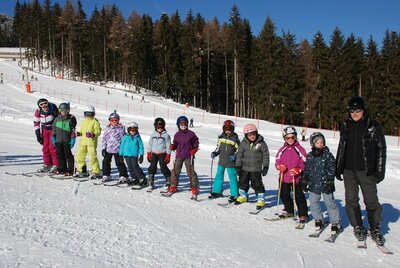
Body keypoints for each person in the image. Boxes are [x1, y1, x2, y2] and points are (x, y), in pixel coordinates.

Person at [335, 96, 387, 246]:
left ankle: (375, 227)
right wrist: (338, 167)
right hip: (348, 170)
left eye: (358, 110)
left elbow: (381, 149)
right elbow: (341, 147)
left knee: (371, 200)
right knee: (351, 199)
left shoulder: (373, 126)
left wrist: (380, 169)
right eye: (352, 111)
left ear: (363, 110)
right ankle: (358, 226)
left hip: (366, 170)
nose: (355, 113)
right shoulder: (346, 125)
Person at [302, 132, 341, 234]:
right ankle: (318, 219)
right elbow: (307, 169)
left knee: (330, 203)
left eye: (321, 142)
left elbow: (331, 169)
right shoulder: (310, 156)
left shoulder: (328, 155)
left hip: (326, 185)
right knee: (313, 202)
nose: (320, 144)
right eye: (317, 142)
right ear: (313, 144)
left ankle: (335, 222)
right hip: (313, 184)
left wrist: (329, 182)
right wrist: (304, 180)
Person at [275, 126, 308, 223]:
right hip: (284, 176)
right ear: (284, 138)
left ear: (295, 137)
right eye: (287, 138)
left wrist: (299, 169)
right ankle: (289, 210)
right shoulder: (282, 149)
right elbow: (277, 160)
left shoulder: (300, 149)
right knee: (283, 195)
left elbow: (304, 162)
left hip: (295, 177)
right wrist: (279, 166)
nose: (290, 140)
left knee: (299, 196)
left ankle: (303, 214)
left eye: (292, 137)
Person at [235, 123, 269, 209]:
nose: (252, 136)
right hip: (244, 168)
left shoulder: (261, 143)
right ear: (246, 135)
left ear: (256, 133)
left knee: (257, 184)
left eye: (253, 134)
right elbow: (239, 155)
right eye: (250, 135)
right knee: (242, 183)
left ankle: (261, 199)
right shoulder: (243, 143)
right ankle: (243, 196)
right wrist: (238, 166)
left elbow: (266, 155)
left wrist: (265, 167)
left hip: (256, 169)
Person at [168, 116, 200, 199]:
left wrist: (195, 149)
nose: (184, 125)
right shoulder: (177, 134)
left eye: (185, 124)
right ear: (178, 125)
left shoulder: (191, 134)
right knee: (175, 171)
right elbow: (175, 143)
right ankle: (173, 185)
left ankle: (194, 187)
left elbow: (196, 142)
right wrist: (173, 146)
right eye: (181, 124)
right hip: (179, 155)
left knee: (191, 171)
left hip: (189, 156)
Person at [209, 120, 240, 203]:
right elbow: (218, 148)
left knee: (232, 178)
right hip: (221, 161)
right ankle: (216, 191)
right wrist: (215, 153)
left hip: (231, 162)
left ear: (232, 129)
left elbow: (239, 150)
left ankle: (234, 194)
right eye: (226, 129)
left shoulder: (235, 139)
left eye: (229, 129)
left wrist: (235, 156)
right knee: (218, 176)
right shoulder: (221, 137)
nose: (227, 131)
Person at [75, 105, 102, 179]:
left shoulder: (95, 121)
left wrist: (93, 134)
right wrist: (79, 133)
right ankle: (82, 170)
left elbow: (98, 131)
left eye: (90, 114)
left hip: (91, 143)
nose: (88, 116)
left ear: (93, 114)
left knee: (93, 157)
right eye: (87, 114)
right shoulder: (84, 121)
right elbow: (82, 131)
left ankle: (96, 171)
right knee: (79, 155)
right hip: (83, 142)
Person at [101, 112, 128, 182]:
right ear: (109, 121)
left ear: (118, 121)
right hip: (109, 149)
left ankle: (123, 175)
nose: (114, 122)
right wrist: (103, 148)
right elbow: (104, 139)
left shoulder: (121, 129)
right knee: (105, 162)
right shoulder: (108, 129)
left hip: (118, 149)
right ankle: (106, 175)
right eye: (112, 120)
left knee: (119, 162)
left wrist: (124, 148)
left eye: (115, 120)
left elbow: (124, 139)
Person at [34, 98, 59, 173]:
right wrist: (38, 134)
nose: (44, 107)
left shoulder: (53, 109)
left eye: (45, 104)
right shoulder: (38, 112)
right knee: (45, 148)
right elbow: (36, 122)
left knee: (52, 148)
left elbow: (59, 119)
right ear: (40, 107)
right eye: (42, 105)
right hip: (44, 130)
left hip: (53, 130)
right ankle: (47, 164)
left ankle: (56, 164)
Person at [51, 103, 77, 176]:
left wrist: (72, 138)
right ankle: (62, 168)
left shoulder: (70, 119)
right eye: (62, 110)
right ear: (60, 110)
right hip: (58, 140)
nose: (64, 112)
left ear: (68, 111)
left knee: (68, 155)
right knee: (60, 154)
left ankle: (71, 169)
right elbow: (53, 128)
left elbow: (73, 130)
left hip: (67, 140)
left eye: (66, 110)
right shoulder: (57, 119)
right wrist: (53, 137)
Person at [147, 117, 172, 191]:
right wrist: (148, 152)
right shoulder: (153, 135)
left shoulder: (166, 135)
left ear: (164, 126)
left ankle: (168, 180)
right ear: (155, 126)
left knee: (163, 167)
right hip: (154, 153)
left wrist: (168, 154)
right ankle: (151, 181)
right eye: (158, 127)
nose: (159, 128)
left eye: (161, 127)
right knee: (152, 167)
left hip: (162, 153)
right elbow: (150, 144)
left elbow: (168, 146)